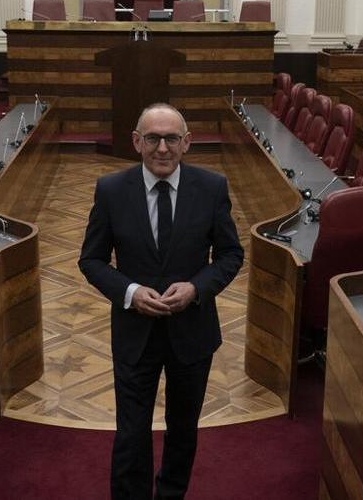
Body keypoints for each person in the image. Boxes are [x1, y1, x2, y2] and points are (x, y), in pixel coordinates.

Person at [79, 104, 243, 499]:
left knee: (183, 430)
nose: (163, 148)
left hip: (193, 334)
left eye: (172, 138)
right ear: (137, 142)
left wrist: (197, 288)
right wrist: (131, 293)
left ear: (187, 143)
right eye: (153, 138)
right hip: (135, 335)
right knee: (131, 435)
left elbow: (230, 255)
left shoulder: (212, 187)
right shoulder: (111, 190)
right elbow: (91, 259)